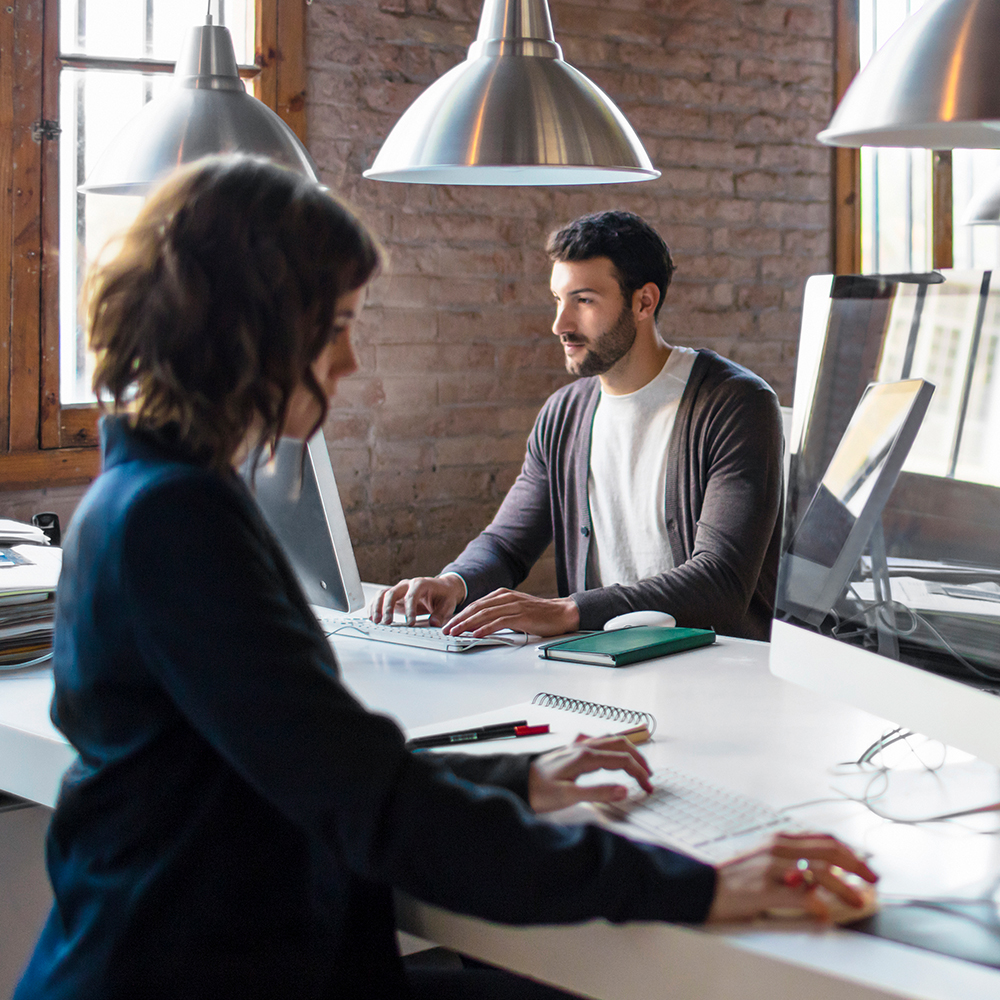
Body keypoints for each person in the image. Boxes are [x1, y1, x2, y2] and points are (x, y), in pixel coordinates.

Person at [15, 158, 875, 1000]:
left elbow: (330, 768)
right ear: (258, 325)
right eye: (337, 324)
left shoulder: (151, 496)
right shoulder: (176, 523)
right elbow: (372, 803)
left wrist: (521, 779)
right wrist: (696, 884)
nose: (349, 361)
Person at [371, 211, 784, 642]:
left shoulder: (736, 404)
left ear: (644, 302)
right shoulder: (563, 414)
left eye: (583, 301)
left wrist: (569, 610)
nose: (560, 325)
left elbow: (720, 581)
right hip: (597, 662)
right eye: (558, 299)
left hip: (714, 664)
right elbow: (507, 546)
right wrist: (453, 582)